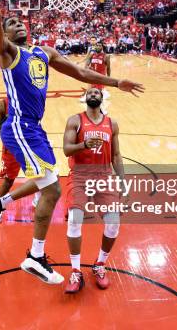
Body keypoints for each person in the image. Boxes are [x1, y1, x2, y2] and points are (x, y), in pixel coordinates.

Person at [0, 0, 144, 284]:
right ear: (7, 35)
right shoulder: (8, 53)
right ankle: (35, 256)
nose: (16, 25)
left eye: (19, 21)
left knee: (49, 185)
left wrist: (115, 82)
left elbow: (80, 74)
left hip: (34, 129)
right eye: (10, 24)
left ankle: (2, 207)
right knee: (52, 188)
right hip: (19, 126)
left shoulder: (44, 52)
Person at [62, 87, 123, 293]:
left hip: (104, 176)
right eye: (90, 93)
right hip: (79, 175)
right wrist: (84, 145)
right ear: (85, 98)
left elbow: (116, 155)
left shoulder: (111, 123)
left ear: (102, 97)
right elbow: (66, 150)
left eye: (97, 92)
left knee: (114, 223)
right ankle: (76, 271)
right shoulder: (75, 120)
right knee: (74, 220)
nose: (94, 94)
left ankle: (100, 264)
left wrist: (122, 182)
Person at [0, 98, 41, 223]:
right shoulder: (1, 104)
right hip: (11, 146)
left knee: (40, 173)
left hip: (30, 143)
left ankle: (38, 198)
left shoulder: (31, 100)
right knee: (8, 181)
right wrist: (9, 119)